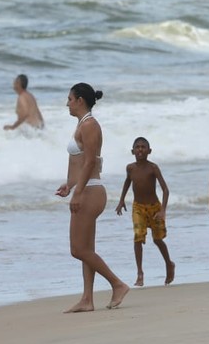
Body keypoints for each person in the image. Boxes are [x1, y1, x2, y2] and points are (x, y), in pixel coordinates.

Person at [55, 83, 129, 312]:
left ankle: (117, 284)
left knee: (77, 250)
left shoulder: (90, 125)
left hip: (91, 191)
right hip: (85, 189)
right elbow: (80, 164)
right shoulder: (82, 124)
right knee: (87, 248)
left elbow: (90, 162)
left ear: (79, 100)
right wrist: (69, 185)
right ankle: (87, 299)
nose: (67, 103)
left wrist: (78, 192)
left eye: (69, 98)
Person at [115, 137, 175, 287]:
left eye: (143, 147)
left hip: (155, 208)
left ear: (149, 151)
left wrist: (163, 210)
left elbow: (166, 190)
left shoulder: (153, 168)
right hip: (138, 207)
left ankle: (169, 264)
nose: (140, 149)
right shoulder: (130, 168)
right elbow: (127, 182)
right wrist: (121, 200)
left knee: (158, 240)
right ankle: (140, 273)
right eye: (137, 147)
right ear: (132, 151)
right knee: (138, 237)